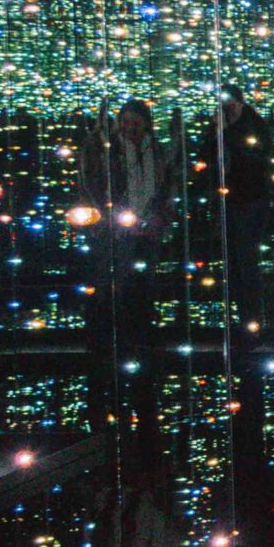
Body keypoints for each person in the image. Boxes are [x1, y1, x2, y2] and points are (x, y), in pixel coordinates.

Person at [78, 99, 177, 452]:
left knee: (140, 281)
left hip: (146, 227)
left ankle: (137, 330)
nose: (130, 128)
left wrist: (158, 218)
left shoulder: (157, 153)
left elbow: (165, 187)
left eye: (136, 122)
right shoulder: (110, 152)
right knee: (116, 281)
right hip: (117, 229)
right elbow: (92, 177)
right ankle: (114, 334)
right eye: (126, 122)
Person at [210, 85, 273, 333]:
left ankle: (251, 315)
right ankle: (241, 314)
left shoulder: (252, 126)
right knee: (235, 260)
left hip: (250, 198)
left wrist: (227, 132)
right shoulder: (221, 127)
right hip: (231, 199)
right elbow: (209, 154)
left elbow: (254, 156)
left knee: (246, 257)